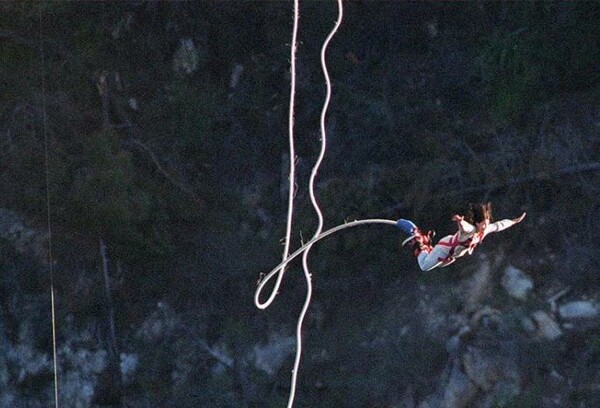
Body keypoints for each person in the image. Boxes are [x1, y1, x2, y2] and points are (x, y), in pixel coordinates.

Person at [396, 203, 526, 271]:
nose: (485, 226)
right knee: (424, 266)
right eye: (483, 224)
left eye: (486, 224)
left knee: (439, 264)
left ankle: (425, 243)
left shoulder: (484, 230)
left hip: (450, 255)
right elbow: (465, 227)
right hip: (445, 248)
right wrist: (460, 221)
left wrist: (514, 221)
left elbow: (499, 225)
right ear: (477, 223)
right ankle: (419, 239)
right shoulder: (471, 229)